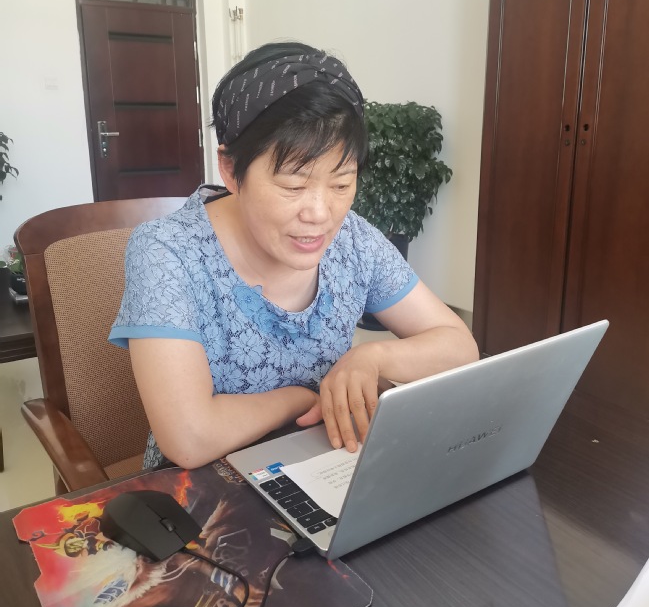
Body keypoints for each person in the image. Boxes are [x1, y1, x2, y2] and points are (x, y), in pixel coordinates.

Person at [109, 42, 478, 470]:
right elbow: (189, 438)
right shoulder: (168, 252)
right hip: (206, 486)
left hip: (323, 465)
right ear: (230, 170)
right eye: (293, 186)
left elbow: (459, 346)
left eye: (341, 184)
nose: (320, 214)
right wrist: (300, 399)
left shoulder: (354, 240)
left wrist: (371, 357)